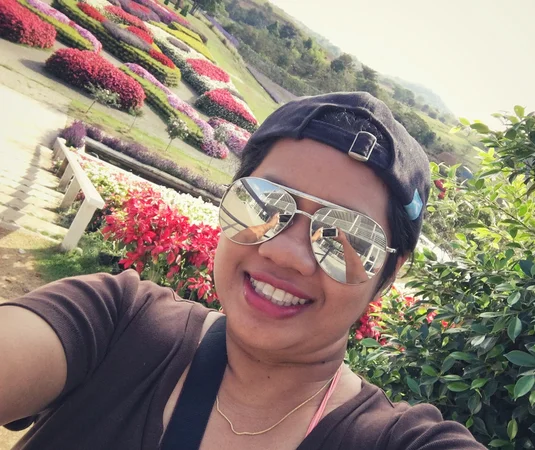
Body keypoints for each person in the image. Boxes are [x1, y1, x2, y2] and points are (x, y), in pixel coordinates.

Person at [0, 92, 485, 450]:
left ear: (388, 274)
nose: (286, 254)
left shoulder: (394, 442)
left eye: (347, 236)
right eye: (263, 203)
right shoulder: (115, 323)